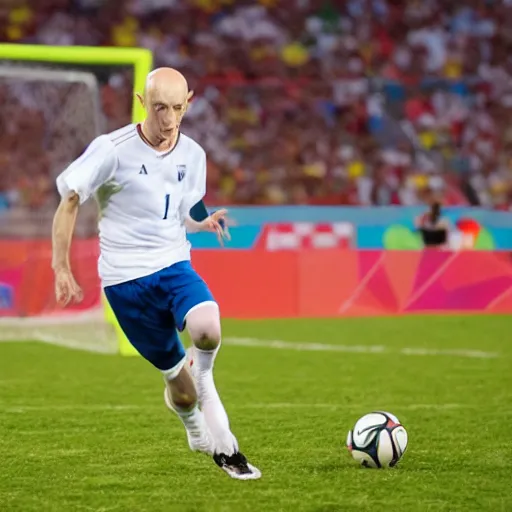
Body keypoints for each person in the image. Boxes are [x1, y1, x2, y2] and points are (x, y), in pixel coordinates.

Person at [51, 67, 261, 480]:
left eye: (177, 109)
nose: (168, 121)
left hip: (173, 265)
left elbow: (183, 209)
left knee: (207, 328)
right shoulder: (112, 149)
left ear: (190, 103)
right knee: (180, 392)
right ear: (141, 102)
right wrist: (61, 267)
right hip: (126, 283)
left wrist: (202, 223)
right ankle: (194, 424)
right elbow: (70, 199)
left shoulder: (194, 153)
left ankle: (226, 446)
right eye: (159, 108)